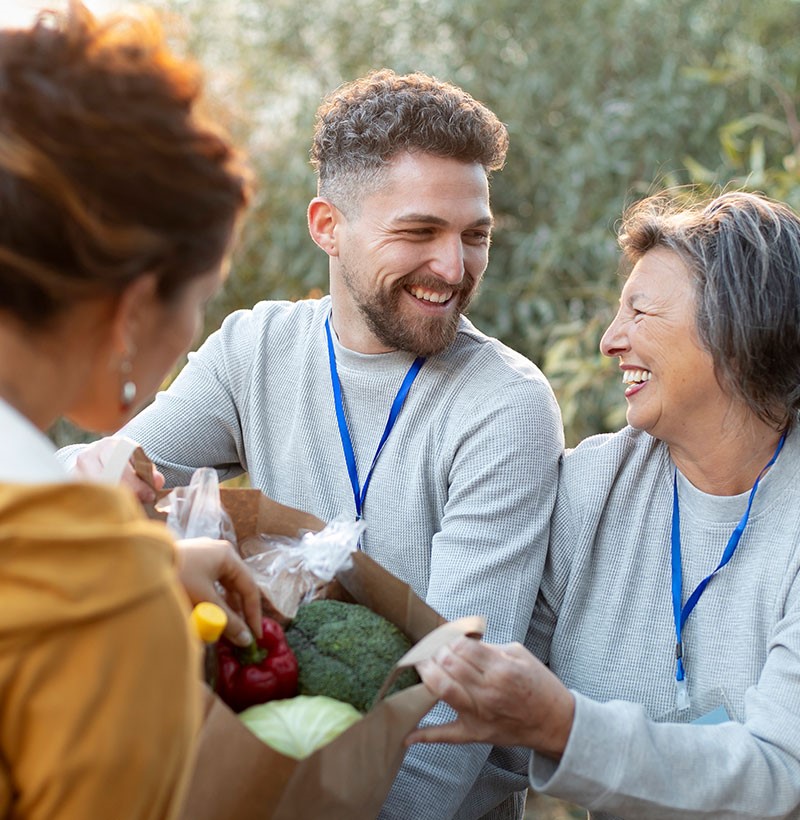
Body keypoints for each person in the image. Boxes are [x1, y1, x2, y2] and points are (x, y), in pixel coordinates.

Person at [60, 69, 564, 818]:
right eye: (419, 232)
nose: (454, 269)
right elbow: (92, 491)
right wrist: (90, 472)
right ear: (328, 225)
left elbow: (448, 717)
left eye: (474, 236)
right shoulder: (255, 349)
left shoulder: (504, 406)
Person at [409, 189, 800, 819]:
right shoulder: (593, 489)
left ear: (737, 328)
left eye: (640, 313)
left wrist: (563, 726)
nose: (610, 341)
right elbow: (487, 736)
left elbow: (782, 774)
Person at [0, 2, 255, 817]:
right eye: (201, 300)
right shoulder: (94, 595)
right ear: (135, 305)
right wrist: (128, 592)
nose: (192, 336)